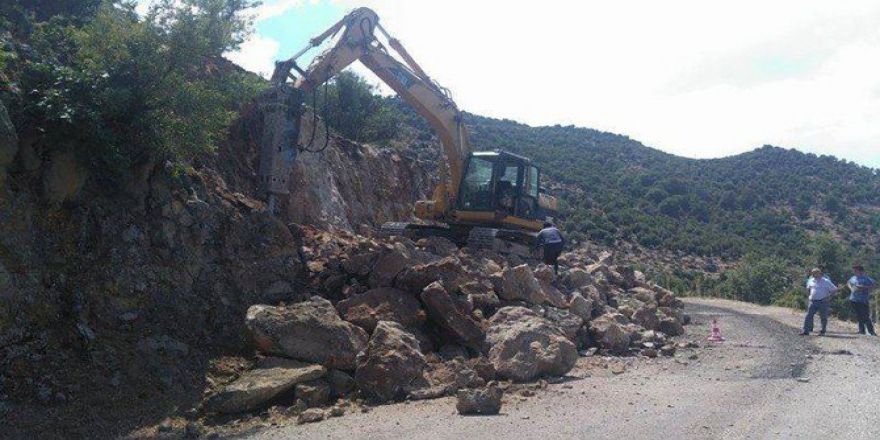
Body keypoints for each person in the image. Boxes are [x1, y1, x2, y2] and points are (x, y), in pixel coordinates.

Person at [801, 268, 839, 336]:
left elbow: (835, 289)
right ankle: (806, 330)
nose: (813, 274)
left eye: (815, 273)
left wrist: (829, 297)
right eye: (812, 273)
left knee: (823, 317)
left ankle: (823, 331)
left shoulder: (826, 281)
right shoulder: (811, 280)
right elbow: (808, 288)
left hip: (823, 301)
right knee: (808, 315)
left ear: (819, 273)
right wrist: (809, 296)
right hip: (813, 301)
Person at [848, 264, 877, 336]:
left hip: (863, 300)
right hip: (854, 299)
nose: (854, 271)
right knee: (858, 315)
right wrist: (851, 288)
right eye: (854, 270)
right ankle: (861, 331)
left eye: (855, 270)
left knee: (865, 316)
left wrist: (864, 287)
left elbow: (873, 286)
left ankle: (871, 332)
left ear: (860, 270)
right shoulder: (853, 278)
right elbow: (848, 282)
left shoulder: (866, 278)